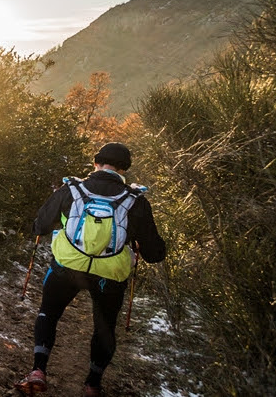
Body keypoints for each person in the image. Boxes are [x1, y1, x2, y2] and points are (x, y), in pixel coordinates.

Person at [16, 142, 166, 396]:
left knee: (49, 313)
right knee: (105, 328)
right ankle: (92, 386)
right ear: (124, 169)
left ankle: (38, 371)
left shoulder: (71, 189)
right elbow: (154, 254)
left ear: (96, 163)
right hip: (110, 276)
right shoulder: (136, 201)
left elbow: (39, 226)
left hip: (67, 267)